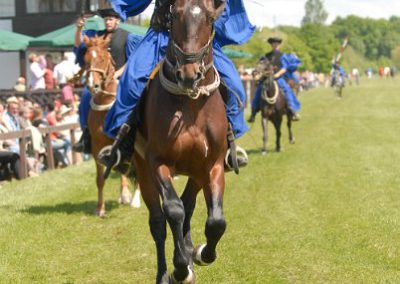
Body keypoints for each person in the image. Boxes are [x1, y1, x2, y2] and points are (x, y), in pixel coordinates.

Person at [97, 0, 255, 174]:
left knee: (234, 84)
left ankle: (229, 144)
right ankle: (123, 146)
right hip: (160, 36)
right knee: (131, 80)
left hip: (197, 39)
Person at [72, 6, 142, 154]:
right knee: (85, 95)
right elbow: (80, 45)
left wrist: (117, 74)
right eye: (106, 20)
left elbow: (132, 60)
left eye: (110, 19)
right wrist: (78, 30)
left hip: (121, 78)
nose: (108, 22)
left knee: (137, 96)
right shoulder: (97, 36)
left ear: (117, 20)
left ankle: (138, 133)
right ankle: (86, 136)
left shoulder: (127, 36)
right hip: (99, 81)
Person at [248, 37, 301, 123]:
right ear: (271, 45)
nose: (275, 45)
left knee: (287, 90)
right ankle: (253, 113)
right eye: (273, 43)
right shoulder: (266, 56)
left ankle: (292, 110)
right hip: (266, 79)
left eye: (277, 44)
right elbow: (261, 67)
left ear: (279, 45)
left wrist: (277, 74)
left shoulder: (283, 56)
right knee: (258, 92)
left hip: (278, 78)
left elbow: (284, 68)